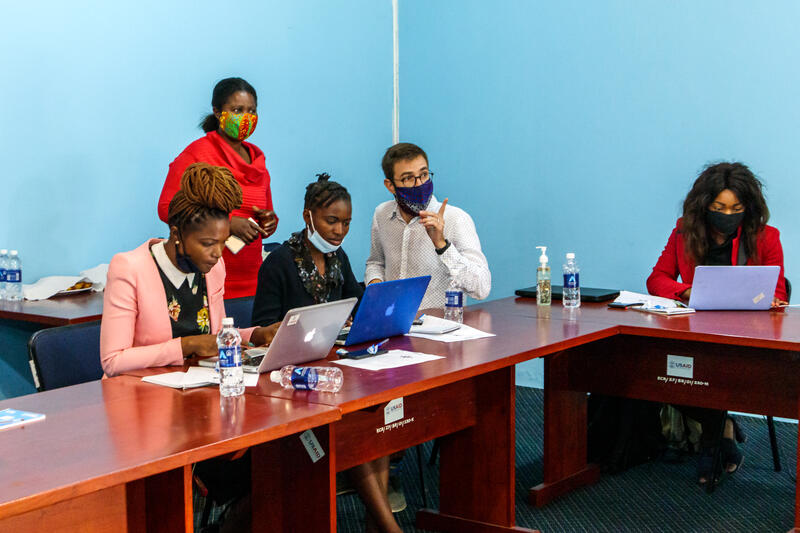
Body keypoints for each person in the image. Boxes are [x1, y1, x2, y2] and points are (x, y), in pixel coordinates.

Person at [252, 174, 401, 533]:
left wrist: (379, 312)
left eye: (346, 222)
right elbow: (262, 329)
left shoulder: (338, 258)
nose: (339, 230)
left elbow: (356, 301)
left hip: (330, 370)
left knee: (374, 420)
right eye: (331, 220)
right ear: (308, 217)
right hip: (287, 381)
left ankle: (377, 524)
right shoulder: (280, 263)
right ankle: (388, 527)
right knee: (355, 429)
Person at [646, 161, 788, 483]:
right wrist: (687, 290)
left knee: (717, 373)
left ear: (748, 207)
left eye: (737, 207)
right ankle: (721, 427)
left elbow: (777, 291)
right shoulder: (685, 231)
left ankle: (714, 440)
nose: (728, 214)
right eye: (719, 207)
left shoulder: (766, 237)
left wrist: (763, 300)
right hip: (694, 330)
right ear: (705, 205)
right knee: (656, 371)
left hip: (744, 334)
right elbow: (657, 279)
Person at [102, 162, 275, 377]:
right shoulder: (129, 268)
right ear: (176, 235)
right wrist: (187, 346)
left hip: (200, 391)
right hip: (140, 396)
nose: (218, 253)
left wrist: (257, 335)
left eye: (223, 242)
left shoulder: (214, 267)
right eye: (207, 243)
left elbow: (215, 339)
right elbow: (113, 361)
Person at [158, 77, 278, 299]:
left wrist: (269, 221)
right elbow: (167, 208)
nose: (245, 118)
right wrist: (229, 224)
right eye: (237, 110)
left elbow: (265, 211)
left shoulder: (258, 161)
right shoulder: (197, 154)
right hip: (207, 277)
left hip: (253, 279)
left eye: (251, 111)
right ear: (217, 111)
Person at [365, 142, 491, 309]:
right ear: (390, 186)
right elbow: (376, 262)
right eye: (408, 178)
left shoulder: (456, 219)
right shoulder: (382, 214)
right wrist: (375, 285)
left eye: (424, 175)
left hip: (440, 328)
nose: (419, 184)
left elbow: (481, 288)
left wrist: (442, 245)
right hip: (392, 322)